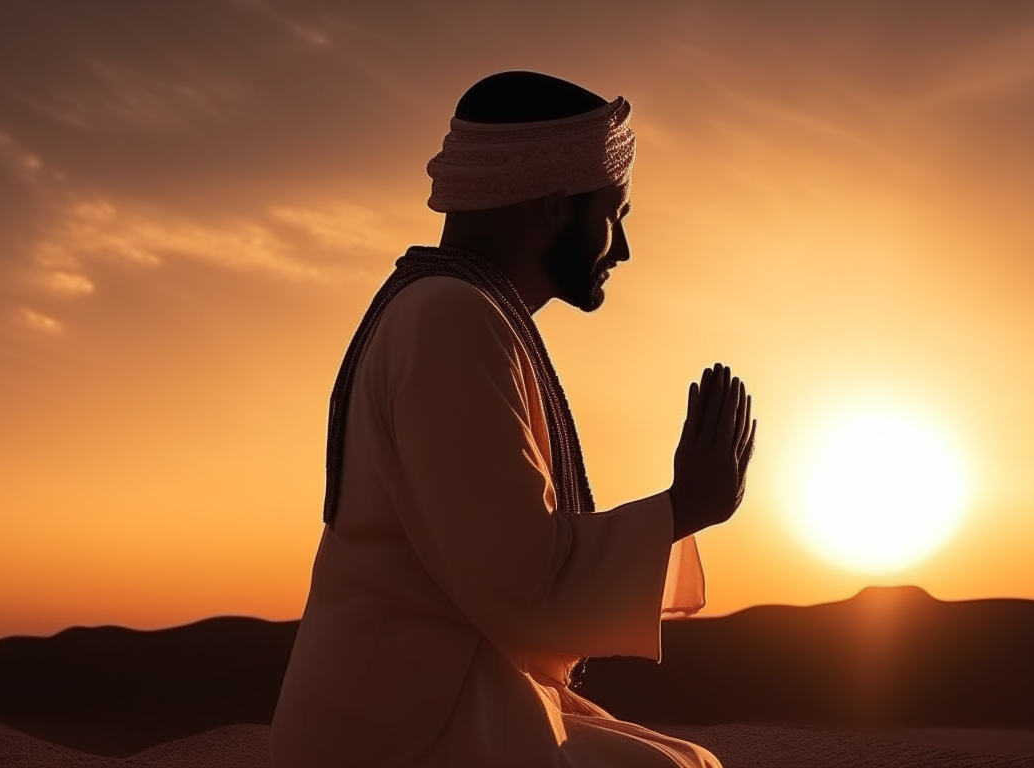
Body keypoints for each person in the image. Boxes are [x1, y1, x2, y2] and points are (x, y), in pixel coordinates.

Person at [270, 71, 756, 768]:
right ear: (556, 206)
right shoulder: (448, 319)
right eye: (614, 214)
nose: (620, 248)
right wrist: (683, 509)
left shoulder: (461, 312)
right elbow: (521, 584)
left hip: (434, 697)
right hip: (397, 730)